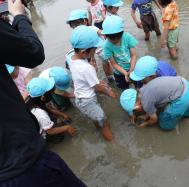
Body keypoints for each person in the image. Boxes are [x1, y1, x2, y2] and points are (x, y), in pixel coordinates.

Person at [0, 0, 86, 186]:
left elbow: (53, 102)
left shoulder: (38, 101)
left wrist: (62, 114)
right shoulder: (38, 113)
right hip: (24, 162)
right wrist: (66, 128)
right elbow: (33, 53)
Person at [69, 25, 117, 141]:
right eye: (94, 50)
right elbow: (98, 88)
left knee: (96, 118)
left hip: (80, 99)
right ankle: (113, 144)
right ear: (84, 52)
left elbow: (84, 79)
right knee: (104, 122)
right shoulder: (86, 68)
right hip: (88, 100)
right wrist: (109, 92)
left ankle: (98, 128)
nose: (95, 52)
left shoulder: (72, 59)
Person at [120, 76, 189, 130]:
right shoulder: (142, 90)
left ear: (137, 107)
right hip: (184, 84)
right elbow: (151, 101)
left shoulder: (146, 104)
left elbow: (154, 120)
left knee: (164, 123)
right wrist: (145, 116)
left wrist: (146, 124)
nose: (135, 112)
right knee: (186, 109)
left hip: (183, 97)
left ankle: (171, 124)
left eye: (134, 111)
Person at [66, 9, 114, 83]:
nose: (76, 26)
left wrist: (111, 34)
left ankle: (109, 77)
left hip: (99, 48)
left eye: (77, 23)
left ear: (85, 21)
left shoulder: (91, 28)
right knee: (91, 66)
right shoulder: (77, 34)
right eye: (73, 25)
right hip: (87, 52)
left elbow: (102, 32)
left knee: (105, 62)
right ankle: (93, 80)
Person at [102, 15, 141, 89]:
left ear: (122, 33)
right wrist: (125, 73)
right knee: (124, 89)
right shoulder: (106, 46)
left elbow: (133, 55)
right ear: (106, 36)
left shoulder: (127, 37)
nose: (114, 41)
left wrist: (131, 69)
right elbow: (114, 64)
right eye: (111, 39)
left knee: (139, 87)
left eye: (117, 39)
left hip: (133, 68)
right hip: (119, 73)